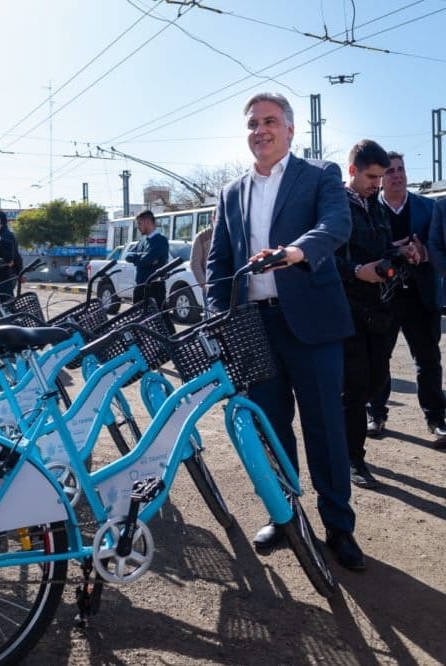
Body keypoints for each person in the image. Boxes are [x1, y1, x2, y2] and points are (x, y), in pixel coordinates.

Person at [206, 92, 365, 570]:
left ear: (290, 129)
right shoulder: (231, 192)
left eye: (270, 121)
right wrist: (221, 320)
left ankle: (339, 526)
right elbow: (219, 264)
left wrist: (296, 251)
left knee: (325, 429)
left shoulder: (320, 175)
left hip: (311, 323)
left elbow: (337, 224)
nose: (261, 131)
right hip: (254, 326)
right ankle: (286, 516)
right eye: (253, 123)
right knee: (270, 428)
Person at [336, 142, 421, 489]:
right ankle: (352, 458)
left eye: (382, 176)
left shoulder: (376, 206)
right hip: (348, 310)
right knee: (355, 389)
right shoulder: (335, 207)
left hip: (380, 310)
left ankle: (346, 441)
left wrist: (400, 252)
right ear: (353, 170)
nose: (378, 183)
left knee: (376, 381)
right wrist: (357, 271)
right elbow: (323, 259)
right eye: (372, 176)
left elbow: (381, 249)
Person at [364, 152, 443, 443]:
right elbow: (362, 251)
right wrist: (391, 251)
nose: (397, 175)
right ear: (380, 178)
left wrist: (423, 254)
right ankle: (376, 413)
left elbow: (440, 248)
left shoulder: (428, 207)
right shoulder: (369, 210)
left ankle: (436, 418)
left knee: (428, 360)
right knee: (378, 359)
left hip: (421, 297)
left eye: (401, 169)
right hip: (383, 298)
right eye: (390, 171)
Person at [125, 209, 169, 308]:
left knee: (160, 320)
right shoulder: (142, 241)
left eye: (139, 223)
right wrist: (141, 256)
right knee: (138, 319)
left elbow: (146, 260)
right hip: (140, 286)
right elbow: (128, 256)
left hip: (155, 288)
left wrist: (139, 258)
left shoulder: (161, 240)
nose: (138, 227)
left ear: (147, 222)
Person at [0, 210, 22, 298]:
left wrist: (19, 272)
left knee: (2, 303)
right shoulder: (6, 234)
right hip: (6, 274)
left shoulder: (4, 236)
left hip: (5, 275)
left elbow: (14, 256)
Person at [190, 211, 216, 296]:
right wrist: (204, 284)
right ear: (213, 218)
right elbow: (195, 263)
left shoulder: (229, 234)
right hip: (210, 287)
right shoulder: (201, 237)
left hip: (229, 285)